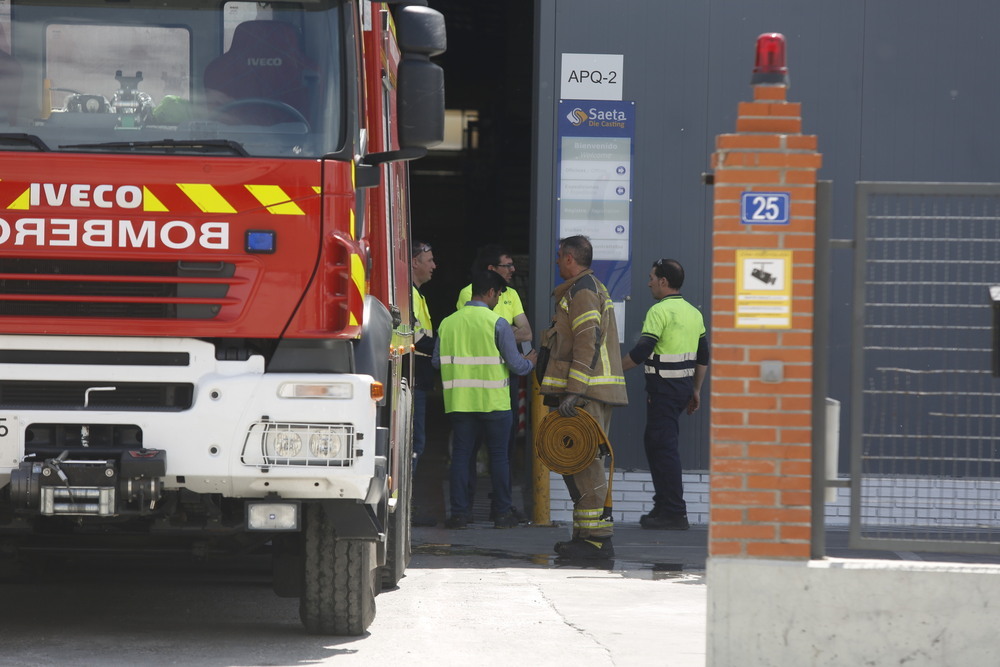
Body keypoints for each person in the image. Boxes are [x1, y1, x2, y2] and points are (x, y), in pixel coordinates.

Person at [539, 235, 627, 559]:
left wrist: (574, 392)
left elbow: (586, 342)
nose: (557, 262)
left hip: (586, 394)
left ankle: (597, 541)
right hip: (586, 393)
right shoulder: (583, 289)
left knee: (587, 466)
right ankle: (585, 537)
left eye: (560, 256)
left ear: (570, 259)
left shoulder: (583, 291)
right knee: (579, 465)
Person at [434, 270, 537, 529]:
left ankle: (459, 514)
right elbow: (516, 366)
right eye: (499, 294)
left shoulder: (448, 323)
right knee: (500, 457)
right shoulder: (498, 324)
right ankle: (502, 514)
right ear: (490, 293)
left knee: (461, 456)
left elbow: (436, 361)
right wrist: (531, 362)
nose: (499, 298)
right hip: (495, 403)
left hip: (460, 402)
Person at [622, 258, 709, 531]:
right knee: (656, 445)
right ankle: (664, 505)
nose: (648, 282)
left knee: (664, 449)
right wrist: (696, 390)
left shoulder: (659, 311)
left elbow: (639, 353)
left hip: (664, 392)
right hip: (680, 390)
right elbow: (703, 356)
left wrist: (606, 370)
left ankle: (674, 512)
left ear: (663, 281)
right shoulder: (693, 313)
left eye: (651, 277)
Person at [456, 244, 533, 520]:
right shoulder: (469, 292)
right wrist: (505, 334)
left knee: (503, 451)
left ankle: (484, 509)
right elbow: (473, 331)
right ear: (491, 272)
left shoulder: (510, 294)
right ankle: (473, 508)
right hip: (479, 386)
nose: (513, 270)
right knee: (475, 451)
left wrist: (502, 333)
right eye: (507, 266)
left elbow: (528, 331)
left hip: (499, 385)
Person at [410, 240, 437, 526]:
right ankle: (407, 505)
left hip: (418, 380)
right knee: (414, 444)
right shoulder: (409, 294)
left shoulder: (418, 294)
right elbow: (419, 340)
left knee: (417, 443)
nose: (434, 265)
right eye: (429, 260)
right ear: (414, 262)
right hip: (413, 381)